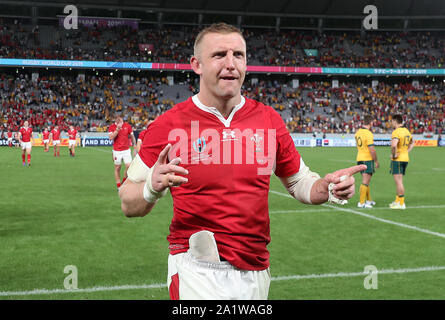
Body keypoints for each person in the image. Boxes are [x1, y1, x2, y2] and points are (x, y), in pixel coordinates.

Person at [118, 23, 365, 300]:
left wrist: (327, 189)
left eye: (238, 55)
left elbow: (298, 181)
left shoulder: (268, 120)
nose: (230, 64)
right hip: (196, 269)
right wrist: (152, 187)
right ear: (196, 64)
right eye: (219, 55)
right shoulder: (168, 125)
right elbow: (128, 202)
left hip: (256, 270)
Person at [389, 114, 414, 209]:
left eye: (392, 121)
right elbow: (412, 143)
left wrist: (394, 155)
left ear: (395, 121)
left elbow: (394, 145)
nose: (391, 123)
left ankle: (401, 203)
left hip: (398, 160)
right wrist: (406, 151)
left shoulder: (396, 132)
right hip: (405, 158)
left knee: (399, 182)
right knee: (399, 181)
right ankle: (397, 201)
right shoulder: (407, 131)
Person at [355, 115, 379, 208]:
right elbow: (372, 149)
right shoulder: (368, 133)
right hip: (367, 159)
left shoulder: (358, 132)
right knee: (365, 181)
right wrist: (376, 161)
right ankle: (361, 203)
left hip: (360, 158)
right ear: (371, 123)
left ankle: (368, 200)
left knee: (366, 181)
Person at [108, 115, 137, 190]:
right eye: (118, 121)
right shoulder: (112, 127)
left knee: (129, 166)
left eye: (120, 121)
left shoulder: (127, 126)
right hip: (117, 151)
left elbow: (132, 136)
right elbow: (111, 137)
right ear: (116, 122)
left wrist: (135, 146)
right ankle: (118, 185)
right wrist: (117, 130)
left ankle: (124, 181)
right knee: (117, 167)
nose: (120, 122)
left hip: (126, 150)